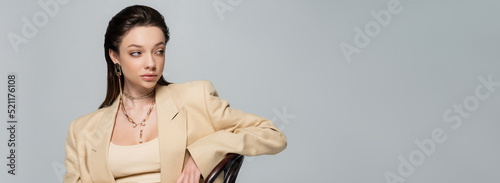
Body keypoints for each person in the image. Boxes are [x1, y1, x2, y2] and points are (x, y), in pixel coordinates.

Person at [63, 4, 287, 183]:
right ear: (115, 56)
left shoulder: (195, 98)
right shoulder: (82, 131)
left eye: (158, 51)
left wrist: (204, 152)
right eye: (136, 53)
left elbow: (272, 135)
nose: (151, 63)